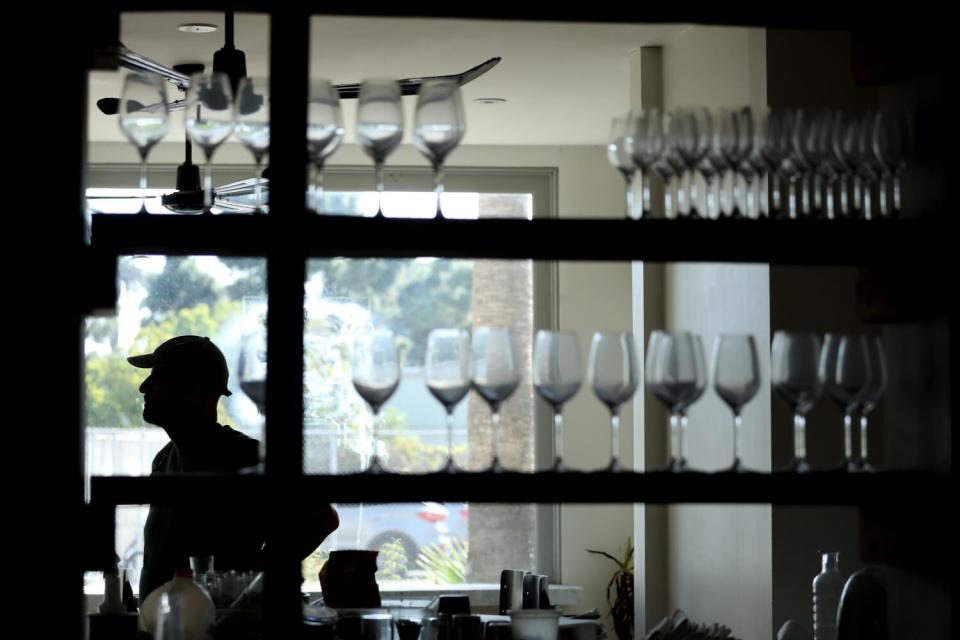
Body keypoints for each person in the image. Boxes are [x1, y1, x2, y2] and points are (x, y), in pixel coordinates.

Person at [130, 335, 338, 600]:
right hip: (166, 626)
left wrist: (255, 579)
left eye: (158, 376)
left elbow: (322, 517)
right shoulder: (164, 459)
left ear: (194, 389)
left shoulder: (243, 456)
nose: (144, 387)